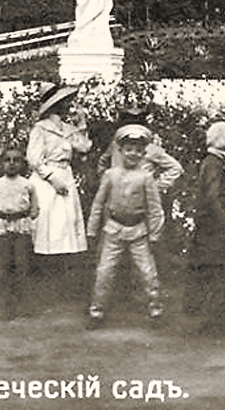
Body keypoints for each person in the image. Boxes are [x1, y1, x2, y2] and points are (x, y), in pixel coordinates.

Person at [84, 125, 165, 329]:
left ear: (144, 153)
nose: (133, 154)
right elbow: (98, 203)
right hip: (113, 229)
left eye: (138, 150)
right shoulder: (110, 174)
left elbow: (155, 208)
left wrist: (155, 235)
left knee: (148, 273)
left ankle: (156, 311)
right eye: (129, 149)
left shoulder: (146, 177)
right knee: (104, 272)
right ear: (120, 150)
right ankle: (97, 312)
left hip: (138, 231)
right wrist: (92, 230)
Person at [26, 85, 92, 272]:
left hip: (66, 175)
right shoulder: (40, 128)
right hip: (46, 180)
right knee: (48, 224)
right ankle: (44, 270)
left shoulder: (68, 129)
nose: (68, 106)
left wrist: (81, 124)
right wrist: (52, 179)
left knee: (66, 224)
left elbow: (84, 147)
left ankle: (64, 273)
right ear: (56, 105)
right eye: (64, 102)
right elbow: (34, 159)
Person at [189, 121, 225, 333]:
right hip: (216, 225)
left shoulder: (218, 160)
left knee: (221, 270)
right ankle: (217, 320)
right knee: (218, 270)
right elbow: (211, 196)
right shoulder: (213, 162)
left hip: (217, 222)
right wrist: (224, 220)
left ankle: (222, 318)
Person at [0, 148, 39, 319]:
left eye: (16, 160)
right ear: (2, 163)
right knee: (3, 267)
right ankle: (7, 306)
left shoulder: (28, 184)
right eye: (8, 160)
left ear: (22, 164)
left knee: (22, 266)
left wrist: (24, 218)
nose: (12, 164)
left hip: (21, 228)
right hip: (2, 229)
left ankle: (23, 305)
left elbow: (35, 208)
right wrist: (1, 218)